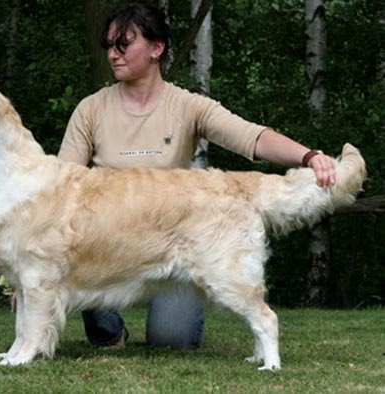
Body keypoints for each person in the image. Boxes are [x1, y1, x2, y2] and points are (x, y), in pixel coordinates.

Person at [57, 2, 336, 350]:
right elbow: (61, 186)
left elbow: (253, 137)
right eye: (109, 46)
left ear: (156, 48)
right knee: (83, 260)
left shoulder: (188, 106)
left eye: (123, 45)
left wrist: (308, 156)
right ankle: (109, 332)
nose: (113, 55)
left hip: (177, 244)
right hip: (108, 247)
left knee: (172, 341)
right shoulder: (90, 109)